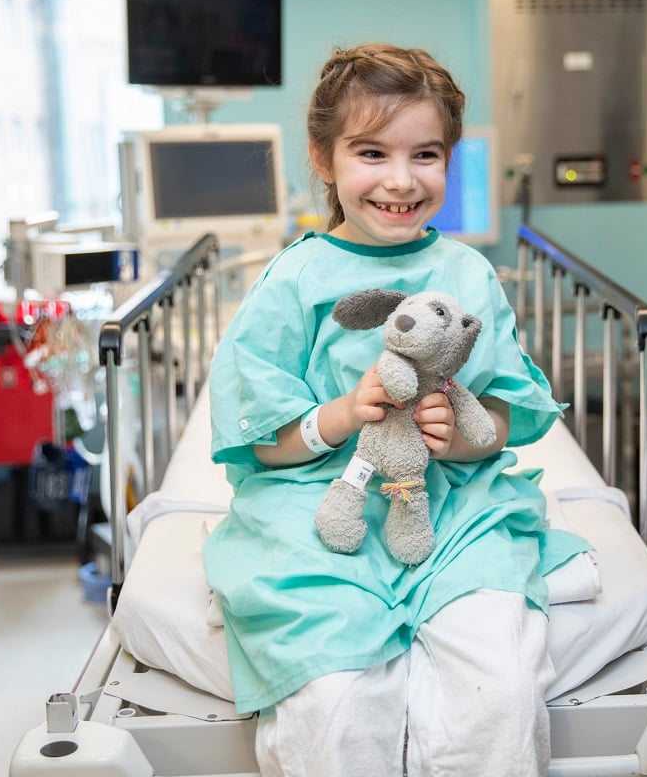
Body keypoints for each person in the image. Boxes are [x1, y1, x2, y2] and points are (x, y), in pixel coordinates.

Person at [203, 42, 589, 777]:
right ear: (324, 159)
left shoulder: (466, 273)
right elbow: (259, 441)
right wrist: (343, 414)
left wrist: (461, 444)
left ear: (451, 160)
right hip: (320, 503)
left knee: (500, 692)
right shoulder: (296, 280)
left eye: (427, 155)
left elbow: (505, 414)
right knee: (337, 703)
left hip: (453, 510)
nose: (402, 181)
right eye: (372, 153)